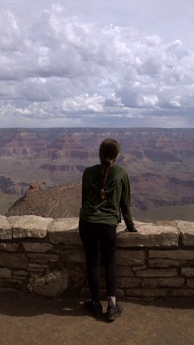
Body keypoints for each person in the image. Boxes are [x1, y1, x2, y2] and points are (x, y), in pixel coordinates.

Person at [79, 138, 138, 322]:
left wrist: (88, 217)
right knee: (110, 262)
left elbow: (84, 201)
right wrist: (131, 228)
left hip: (87, 222)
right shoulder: (121, 174)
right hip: (107, 226)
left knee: (92, 262)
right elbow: (125, 206)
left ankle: (96, 304)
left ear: (100, 154)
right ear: (116, 155)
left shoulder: (88, 172)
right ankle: (112, 306)